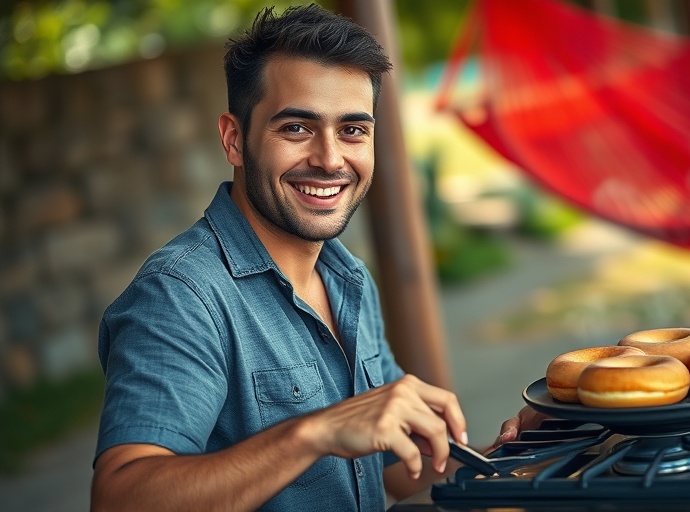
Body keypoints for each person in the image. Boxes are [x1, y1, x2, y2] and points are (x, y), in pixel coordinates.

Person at [90, 5, 473, 511]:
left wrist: (532, 445)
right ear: (234, 139)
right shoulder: (181, 294)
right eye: (297, 128)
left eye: (353, 130)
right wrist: (314, 433)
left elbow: (402, 469)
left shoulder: (348, 277)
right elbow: (119, 498)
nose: (331, 159)